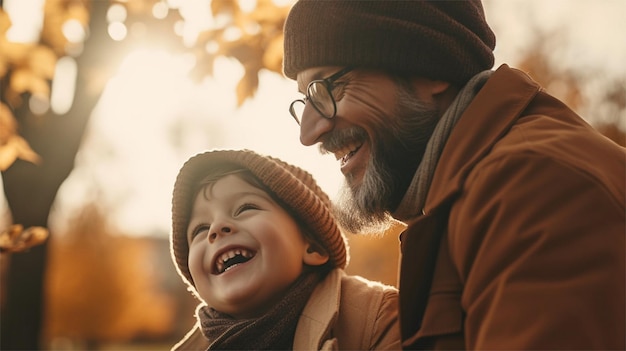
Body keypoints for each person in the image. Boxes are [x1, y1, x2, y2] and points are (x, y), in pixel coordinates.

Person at [281, 1, 626, 350]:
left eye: (326, 89)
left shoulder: (534, 187)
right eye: (304, 102)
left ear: (427, 69)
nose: (310, 133)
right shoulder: (462, 204)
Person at [169, 149, 401, 350]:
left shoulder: (374, 317)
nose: (217, 228)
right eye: (200, 229)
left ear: (313, 246)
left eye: (245, 207)